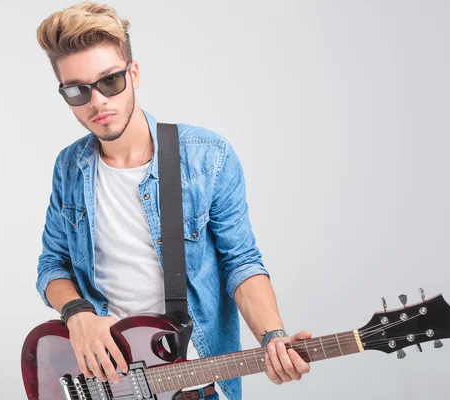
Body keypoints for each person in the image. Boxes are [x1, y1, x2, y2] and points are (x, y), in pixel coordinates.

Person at [34, 2, 311, 399]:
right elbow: (52, 265)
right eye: (77, 90)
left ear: (134, 73)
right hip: (106, 384)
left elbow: (241, 262)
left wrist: (274, 335)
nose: (97, 103)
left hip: (194, 386)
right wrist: (79, 316)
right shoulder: (70, 167)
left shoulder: (206, 157)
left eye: (109, 82)